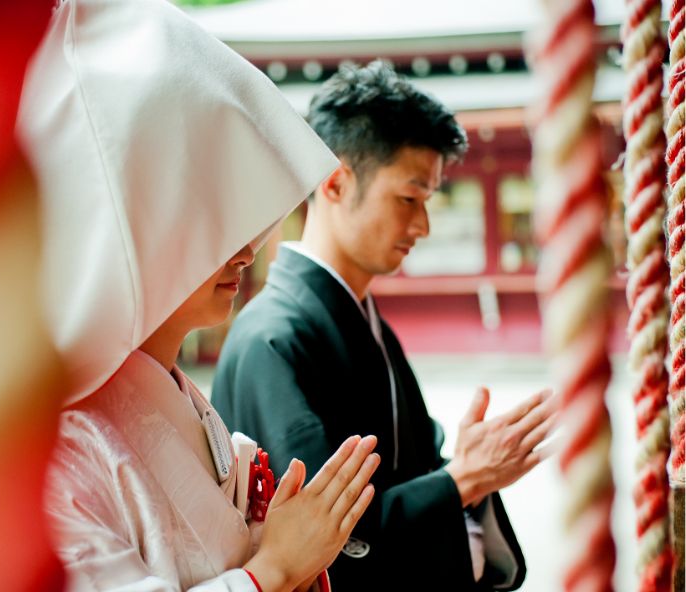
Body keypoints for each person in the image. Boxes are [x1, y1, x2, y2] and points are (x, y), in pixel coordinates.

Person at [17, 1, 379, 590]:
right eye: (210, 216)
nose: (246, 250)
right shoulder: (59, 452)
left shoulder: (182, 399)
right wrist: (273, 568)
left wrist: (282, 546)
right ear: (129, 227)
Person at [213, 61, 558, 591]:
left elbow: (413, 470)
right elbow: (331, 543)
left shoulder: (366, 323)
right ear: (334, 182)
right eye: (407, 199)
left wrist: (463, 467)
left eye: (427, 202)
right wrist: (463, 478)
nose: (421, 225)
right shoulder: (271, 339)